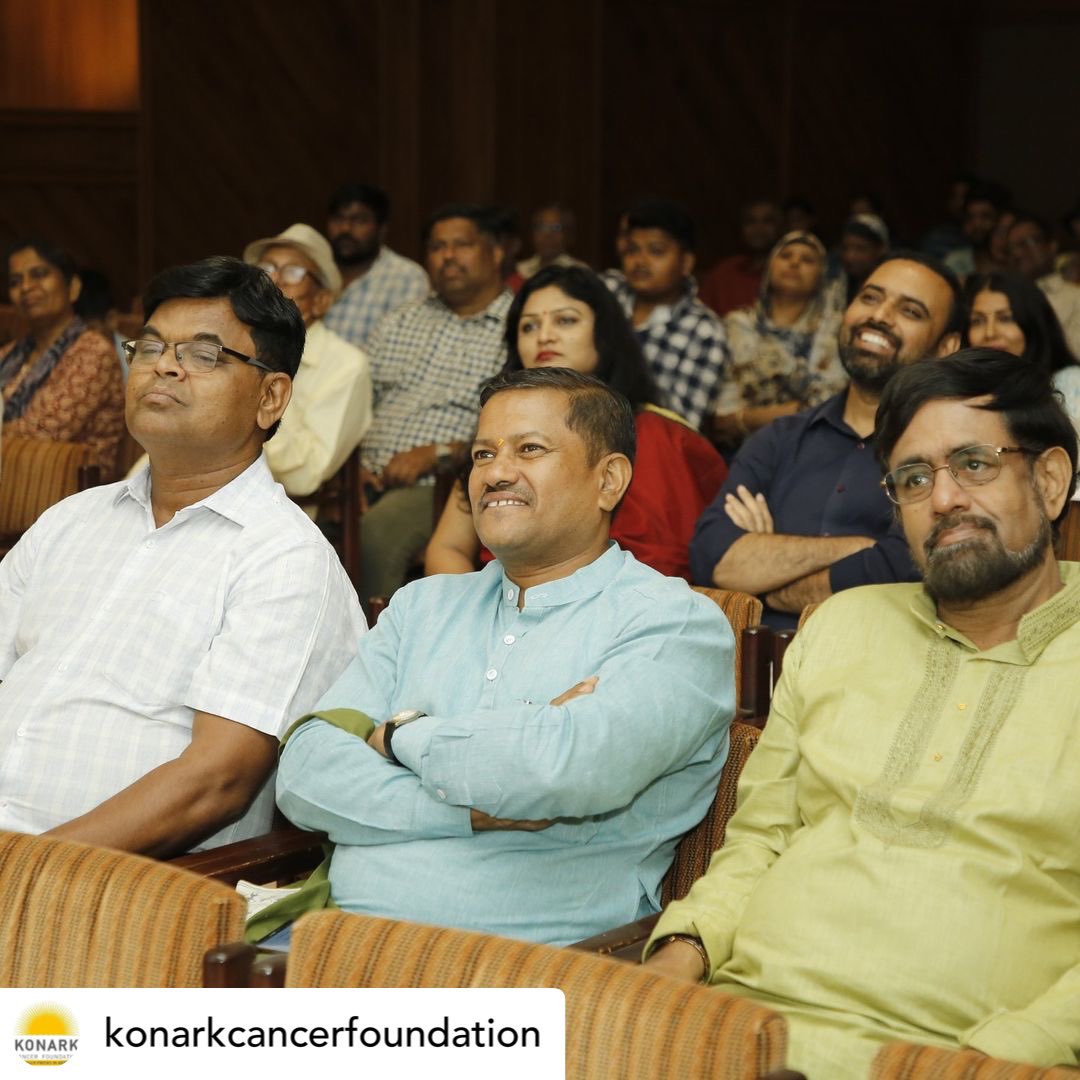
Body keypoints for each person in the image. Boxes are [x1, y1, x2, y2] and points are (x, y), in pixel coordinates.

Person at [645, 351, 1080, 1077]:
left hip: (964, 1057)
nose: (942, 499)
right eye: (914, 478)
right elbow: (758, 840)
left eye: (974, 464)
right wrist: (674, 960)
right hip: (742, 1027)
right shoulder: (842, 624)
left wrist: (993, 1062)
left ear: (1050, 479)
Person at [276, 367, 734, 946]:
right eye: (482, 453)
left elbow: (554, 770)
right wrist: (467, 809)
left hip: (531, 974)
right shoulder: (423, 605)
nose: (495, 472)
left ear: (609, 481)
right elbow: (303, 775)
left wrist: (397, 736)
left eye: (529, 449)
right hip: (331, 945)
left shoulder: (674, 624)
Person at [0, 257, 365, 856]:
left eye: (204, 355)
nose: (164, 366)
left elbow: (215, 783)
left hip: (104, 892)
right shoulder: (70, 520)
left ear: (270, 398)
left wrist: (27, 869)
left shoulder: (284, 560)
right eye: (149, 347)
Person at [692, 252, 964, 628]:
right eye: (870, 297)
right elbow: (712, 556)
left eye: (911, 311)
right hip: (755, 673)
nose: (880, 316)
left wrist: (767, 572)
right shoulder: (779, 438)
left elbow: (902, 568)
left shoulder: (944, 459)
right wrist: (863, 546)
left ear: (946, 346)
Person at [425, 265, 727, 581]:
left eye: (565, 320)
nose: (544, 336)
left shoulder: (657, 434)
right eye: (529, 327)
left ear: (604, 333)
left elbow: (667, 562)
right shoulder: (498, 428)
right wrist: (478, 611)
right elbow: (448, 547)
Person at [359, 203, 512, 604]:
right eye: (437, 246)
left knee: (378, 532)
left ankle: (377, 650)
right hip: (361, 479)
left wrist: (440, 454)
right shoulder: (401, 320)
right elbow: (358, 404)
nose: (448, 256)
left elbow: (512, 429)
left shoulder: (518, 326)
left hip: (443, 484)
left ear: (496, 252)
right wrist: (353, 463)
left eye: (462, 245)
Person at [242, 223, 372, 496]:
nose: (275, 281)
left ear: (321, 301)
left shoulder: (347, 365)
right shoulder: (234, 343)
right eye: (266, 269)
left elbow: (306, 476)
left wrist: (262, 383)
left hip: (273, 510)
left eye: (293, 272)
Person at [1, 240, 124, 476]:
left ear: (73, 287)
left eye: (39, 274)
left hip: (66, 491)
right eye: (15, 282)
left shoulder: (93, 352)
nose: (26, 287)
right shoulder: (10, 354)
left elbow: (41, 434)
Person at [712, 231, 846, 449]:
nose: (794, 263)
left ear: (821, 275)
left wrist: (745, 419)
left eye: (807, 260)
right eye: (786, 256)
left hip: (812, 449)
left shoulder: (835, 331)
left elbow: (827, 406)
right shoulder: (737, 324)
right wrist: (791, 410)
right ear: (770, 267)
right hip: (738, 450)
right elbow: (721, 418)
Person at [603, 198, 728, 430]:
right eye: (632, 250)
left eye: (656, 251)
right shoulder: (605, 290)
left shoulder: (704, 331)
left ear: (686, 262)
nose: (640, 261)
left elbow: (682, 425)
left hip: (644, 445)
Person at [966, 270, 1080, 433]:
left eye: (1005, 319)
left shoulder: (1070, 383)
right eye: (977, 321)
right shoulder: (960, 392)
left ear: (1034, 324)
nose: (989, 333)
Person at [323, 182, 429, 349]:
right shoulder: (315, 267)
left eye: (359, 220)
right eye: (338, 218)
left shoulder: (406, 278)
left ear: (381, 229)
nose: (345, 228)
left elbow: (404, 350)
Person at [1005, 213, 1080, 362]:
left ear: (1051, 246)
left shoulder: (1074, 298)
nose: (1018, 253)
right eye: (1011, 248)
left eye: (1027, 242)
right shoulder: (1004, 299)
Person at [698, 199, 782, 317]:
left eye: (767, 221)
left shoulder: (788, 272)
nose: (758, 228)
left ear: (780, 227)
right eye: (750, 222)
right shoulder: (724, 272)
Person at [516, 203, 586, 280]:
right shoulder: (519, 271)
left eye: (556, 228)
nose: (548, 235)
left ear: (569, 235)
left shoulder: (580, 273)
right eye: (541, 227)